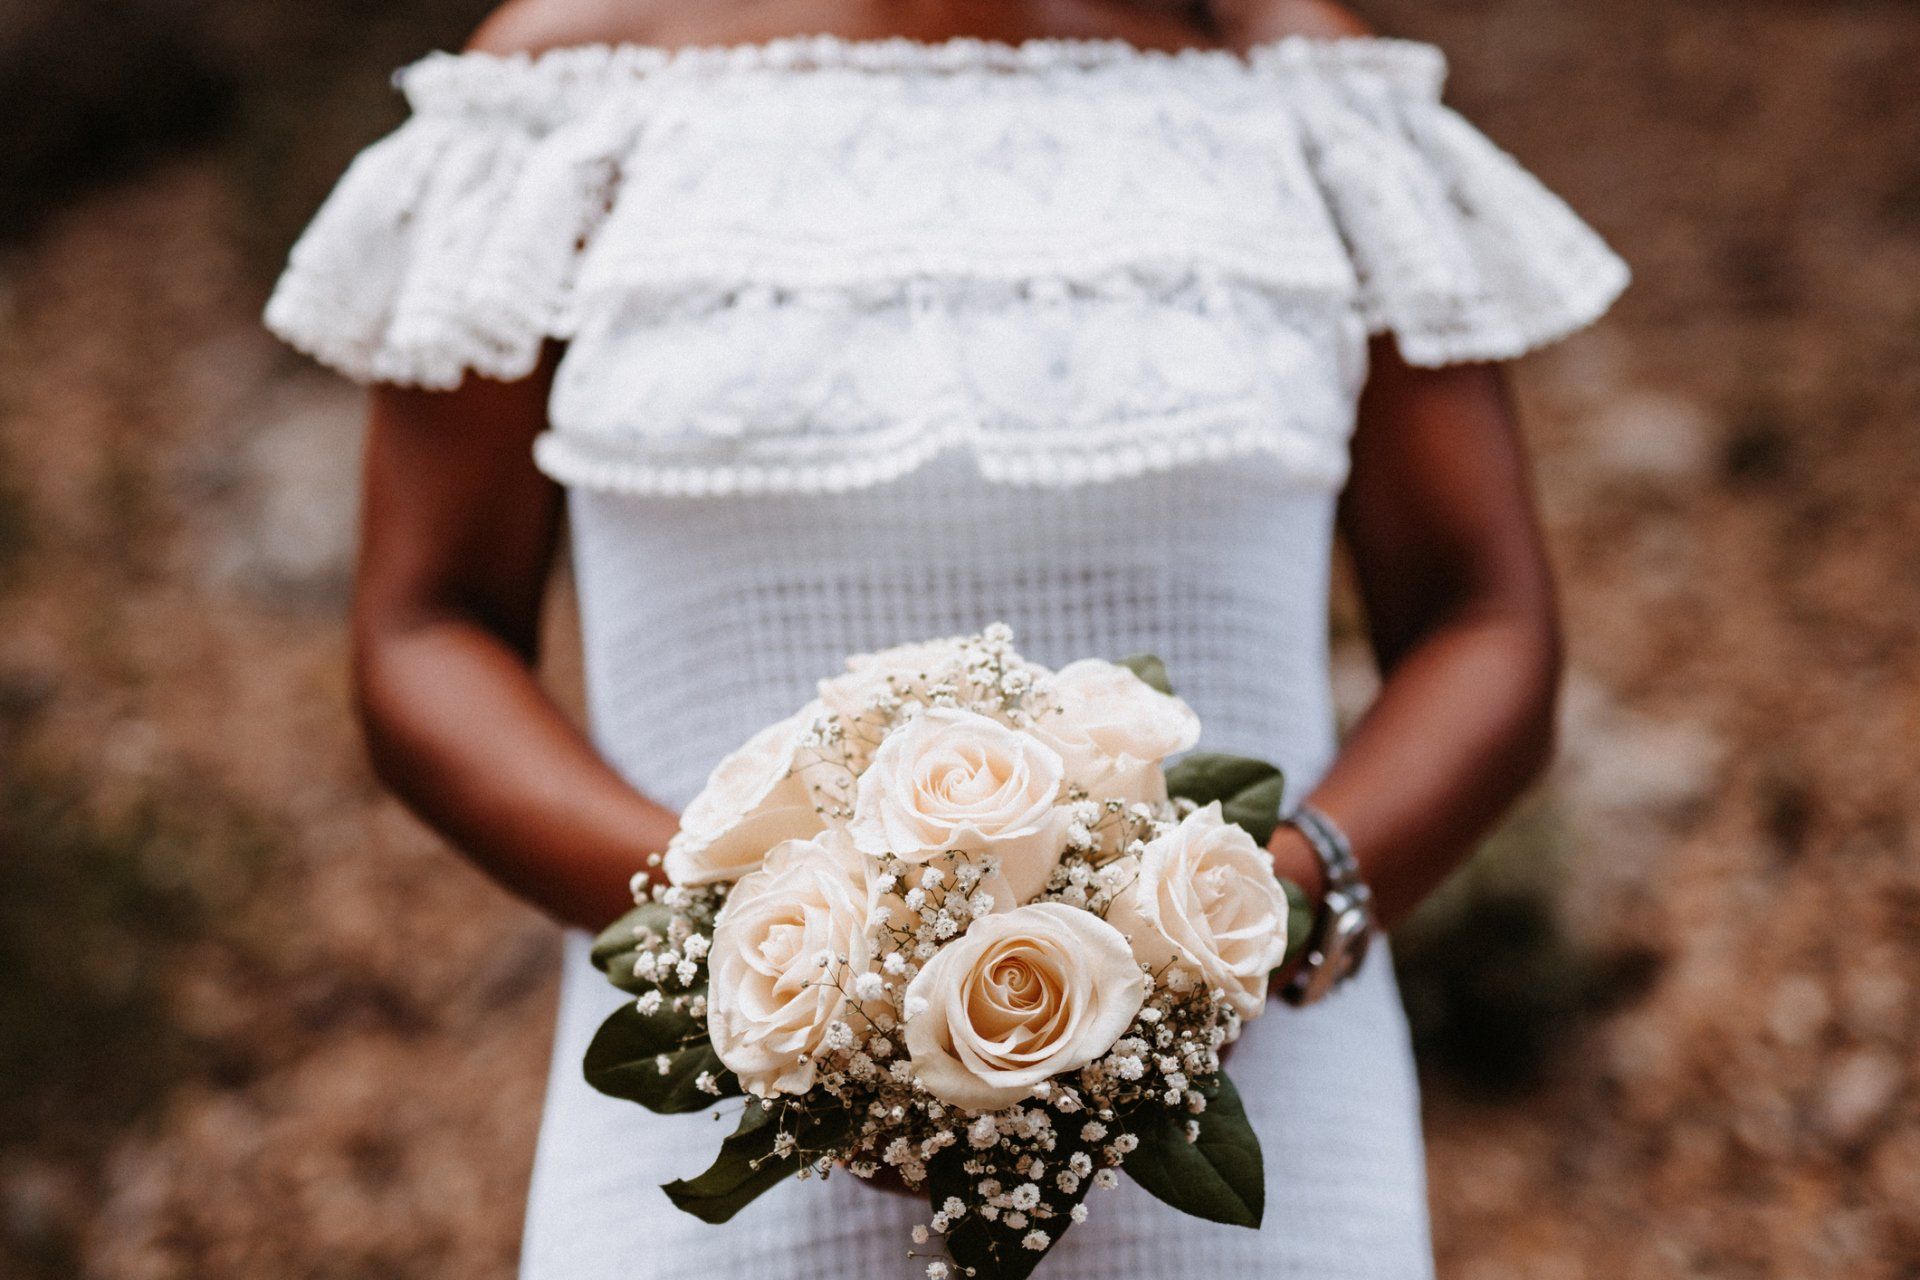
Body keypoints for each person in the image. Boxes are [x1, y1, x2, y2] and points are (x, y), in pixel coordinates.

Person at [264, 0, 1627, 1275]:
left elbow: (1484, 618)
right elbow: (426, 631)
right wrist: (776, 963)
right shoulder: (563, 89)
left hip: (1260, 1125)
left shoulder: (1303, 90)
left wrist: (1247, 925)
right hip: (706, 1147)